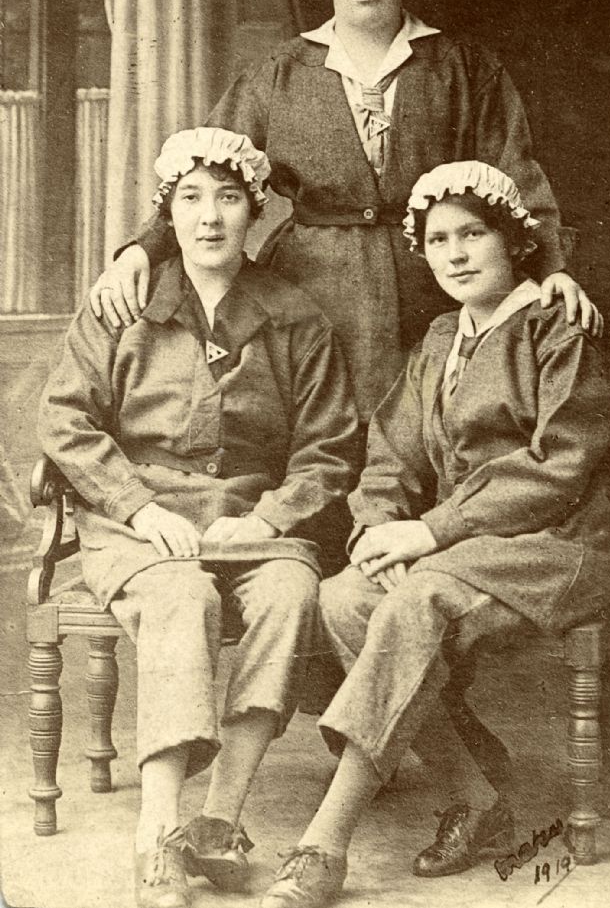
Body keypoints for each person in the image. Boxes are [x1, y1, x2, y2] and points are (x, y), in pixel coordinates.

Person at [258, 161, 610, 908]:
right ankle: (475, 793)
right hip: (465, 546)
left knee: (414, 603)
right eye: (438, 240)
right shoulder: (439, 338)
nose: (456, 254)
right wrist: (378, 531)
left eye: (474, 234)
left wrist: (430, 532)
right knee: (344, 599)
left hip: (560, 542)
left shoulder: (562, 329)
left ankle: (323, 843)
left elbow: (558, 470)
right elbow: (392, 454)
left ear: (515, 242)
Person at [89, 0, 602, 424]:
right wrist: (140, 252)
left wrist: (552, 268)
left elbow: (516, 174)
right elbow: (200, 174)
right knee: (317, 426)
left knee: (424, 427)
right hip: (309, 287)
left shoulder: (463, 67)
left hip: (433, 287)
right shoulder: (280, 72)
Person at [38, 128, 358, 908]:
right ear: (168, 212)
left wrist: (269, 520)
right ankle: (157, 834)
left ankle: (218, 819)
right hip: (136, 521)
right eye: (190, 198)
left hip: (248, 519)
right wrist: (140, 506)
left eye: (228, 198)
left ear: (255, 210)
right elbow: (64, 420)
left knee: (290, 592)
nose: (210, 216)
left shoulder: (294, 314)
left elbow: (329, 448)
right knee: (182, 594)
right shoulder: (123, 305)